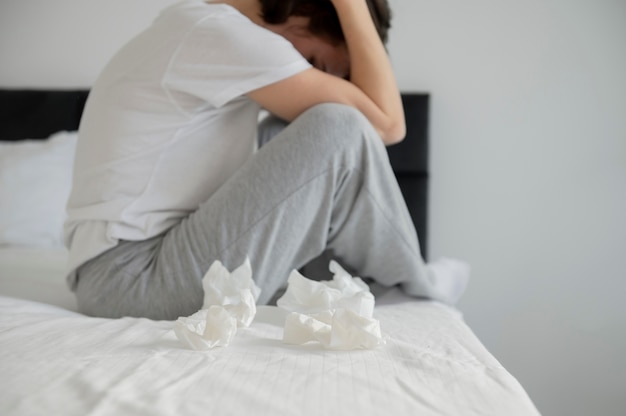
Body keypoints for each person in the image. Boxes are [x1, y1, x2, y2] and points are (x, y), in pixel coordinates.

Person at [65, 0, 468, 320]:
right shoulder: (222, 34)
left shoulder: (199, 27)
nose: (310, 76)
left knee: (285, 130)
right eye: (317, 65)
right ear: (304, 14)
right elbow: (385, 125)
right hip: (133, 278)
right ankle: (417, 282)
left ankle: (365, 279)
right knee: (338, 125)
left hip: (123, 274)